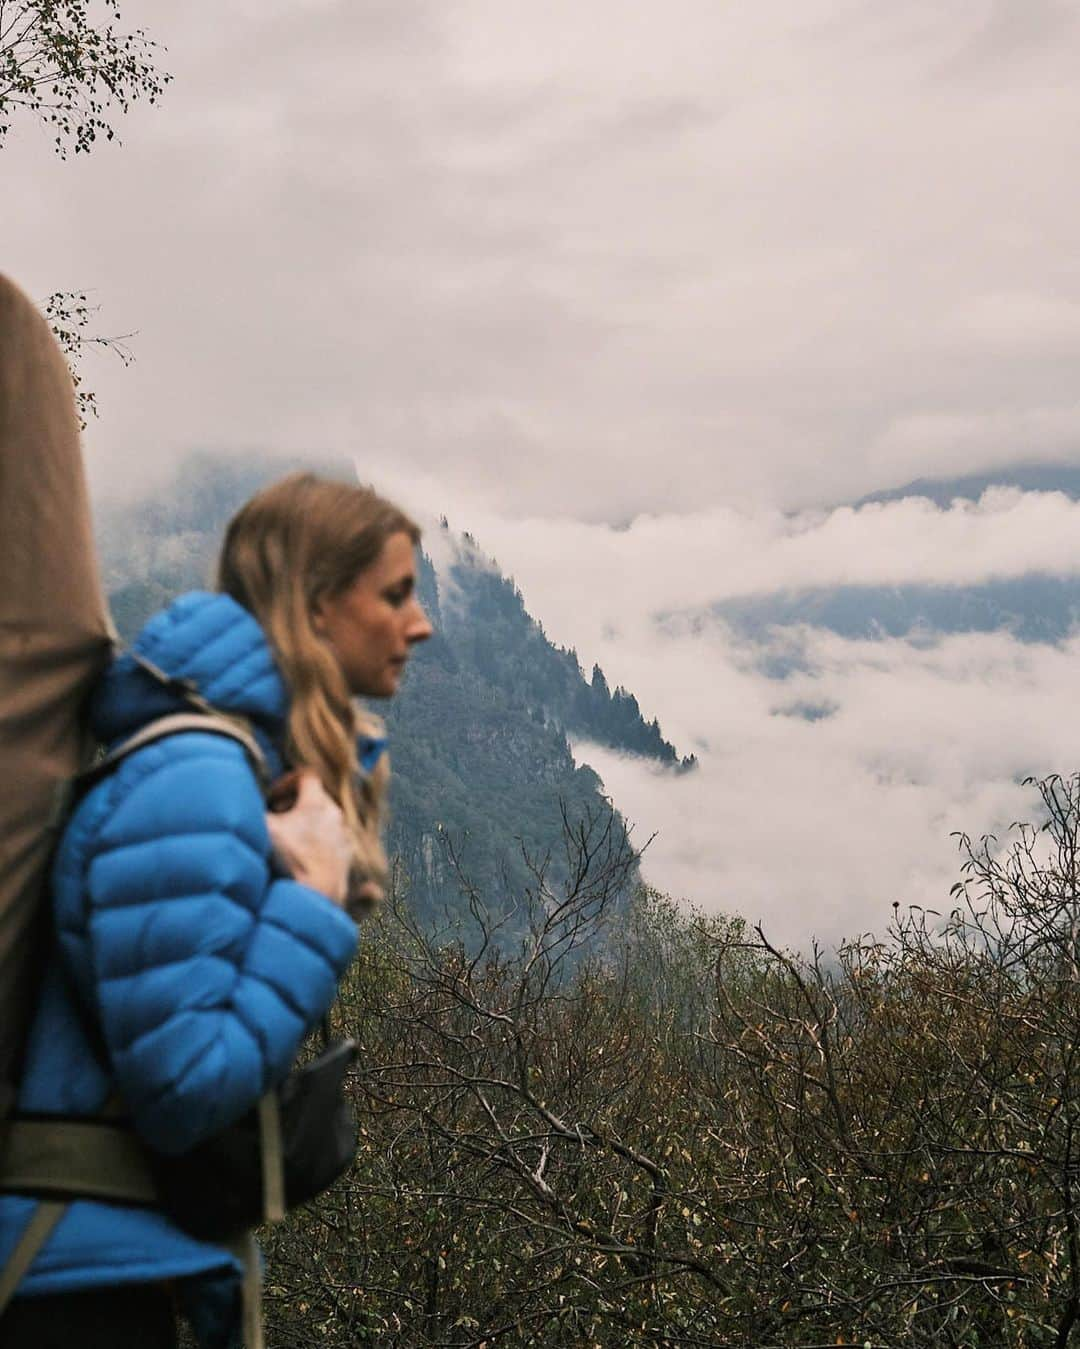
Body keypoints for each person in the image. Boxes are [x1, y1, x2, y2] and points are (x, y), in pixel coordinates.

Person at [0, 472, 433, 1347]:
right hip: (79, 1296)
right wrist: (313, 902)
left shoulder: (231, 764)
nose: (418, 622)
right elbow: (183, 1085)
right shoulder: (195, 775)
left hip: (114, 1270)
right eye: (394, 594)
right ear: (315, 605)